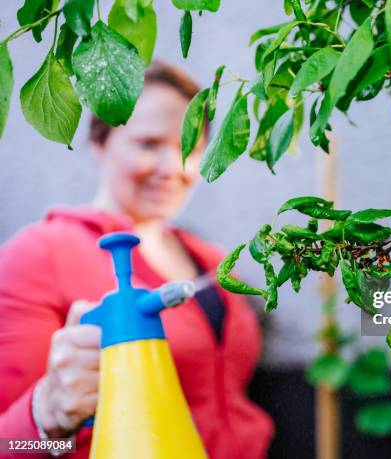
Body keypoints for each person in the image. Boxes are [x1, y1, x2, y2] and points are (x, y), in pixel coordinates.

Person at [0, 61, 274, 459]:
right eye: (149, 144)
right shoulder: (38, 254)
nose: (171, 168)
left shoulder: (211, 259)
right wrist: (48, 414)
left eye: (190, 149)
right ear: (100, 142)